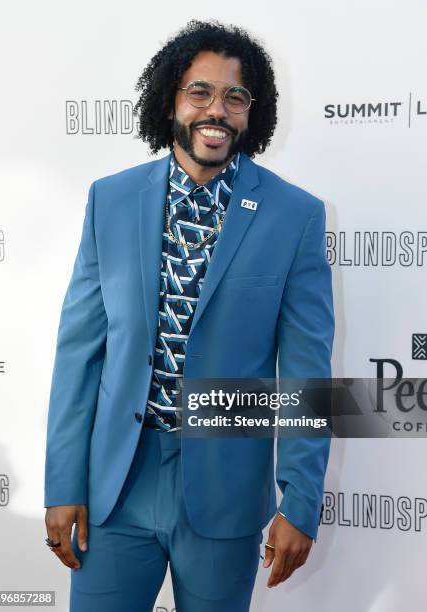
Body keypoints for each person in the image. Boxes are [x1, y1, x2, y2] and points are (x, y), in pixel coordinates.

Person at [44, 19, 334, 612]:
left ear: (254, 112)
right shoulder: (111, 199)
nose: (217, 110)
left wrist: (299, 500)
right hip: (116, 486)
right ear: (171, 99)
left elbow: (306, 371)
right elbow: (79, 352)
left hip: (224, 490)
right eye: (200, 91)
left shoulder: (293, 214)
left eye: (235, 96)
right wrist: (64, 483)